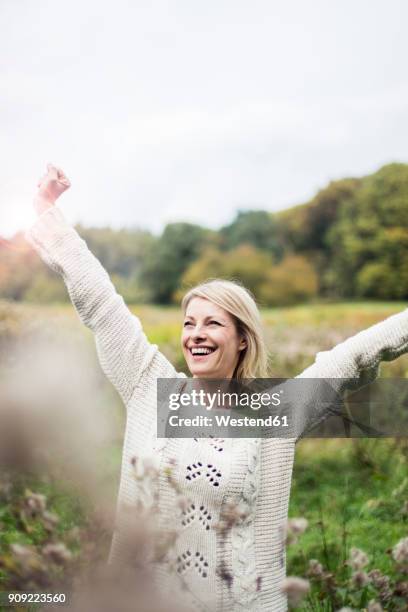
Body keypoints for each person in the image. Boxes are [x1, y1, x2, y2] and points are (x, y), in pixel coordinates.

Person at [27, 164, 408, 612]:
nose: (196, 334)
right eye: (189, 323)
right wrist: (47, 213)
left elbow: (351, 356)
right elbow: (101, 302)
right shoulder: (149, 385)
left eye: (212, 323)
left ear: (243, 337)